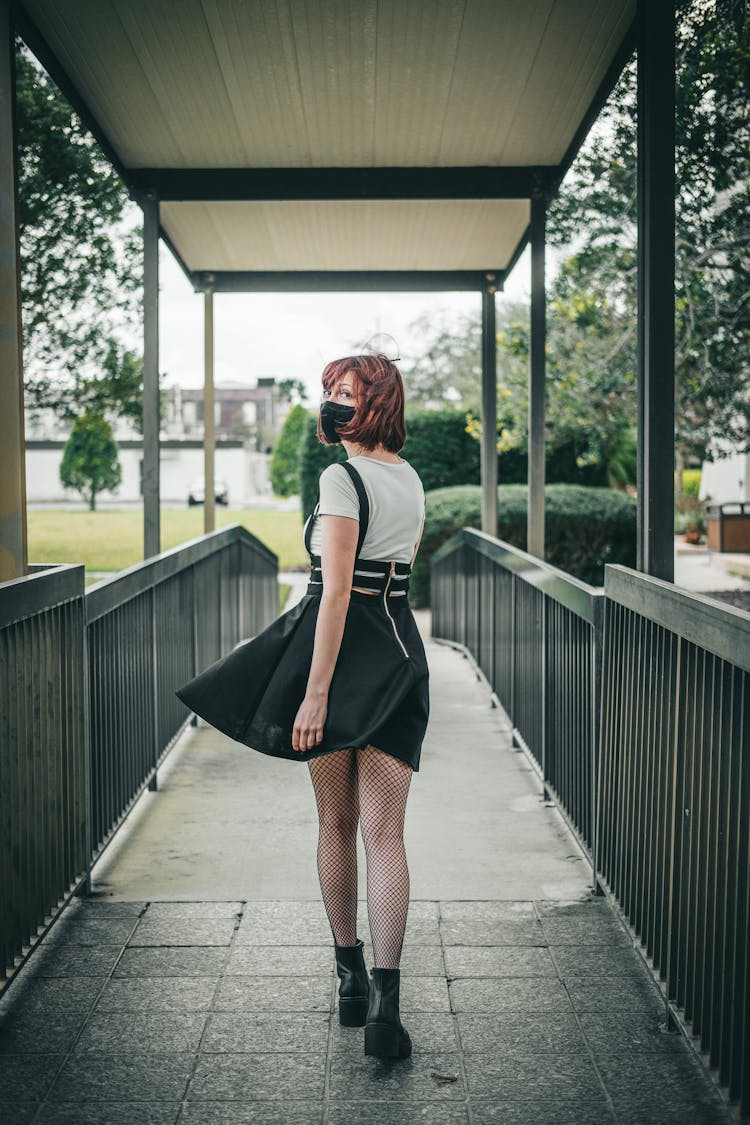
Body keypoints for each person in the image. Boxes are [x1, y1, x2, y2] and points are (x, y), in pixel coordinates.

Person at [177, 352, 429, 1060]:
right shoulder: (407, 478)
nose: (333, 405)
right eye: (330, 393)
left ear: (377, 402)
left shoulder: (340, 477)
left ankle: (350, 977)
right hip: (400, 660)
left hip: (343, 662)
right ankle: (386, 1002)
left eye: (346, 394)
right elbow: (386, 581)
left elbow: (336, 592)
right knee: (386, 834)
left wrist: (314, 692)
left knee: (336, 820)